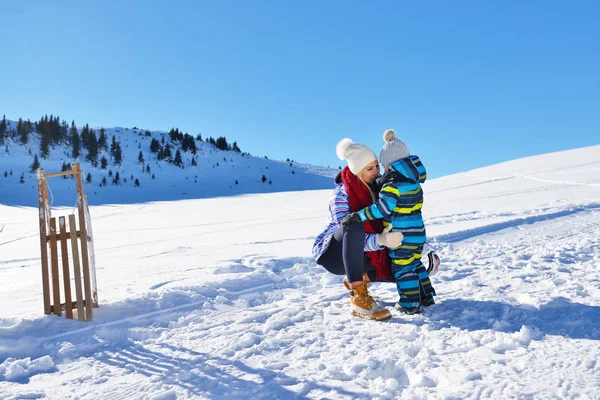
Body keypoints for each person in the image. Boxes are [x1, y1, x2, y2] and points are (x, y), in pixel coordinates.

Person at [343, 129, 437, 314]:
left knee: (403, 269)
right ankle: (426, 296)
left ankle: (410, 304)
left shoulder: (393, 184)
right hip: (418, 231)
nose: (382, 171)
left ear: (390, 164)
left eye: (383, 167)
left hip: (403, 234)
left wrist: (359, 216)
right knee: (415, 264)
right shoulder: (413, 182)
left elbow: (383, 208)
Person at [312, 138, 405, 321]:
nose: (376, 172)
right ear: (357, 171)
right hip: (334, 253)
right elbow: (347, 230)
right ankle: (359, 296)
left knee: (409, 271)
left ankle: (364, 276)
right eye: (369, 169)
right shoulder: (341, 194)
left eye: (377, 166)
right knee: (352, 222)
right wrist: (380, 240)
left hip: (364, 253)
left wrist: (419, 254)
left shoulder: (380, 191)